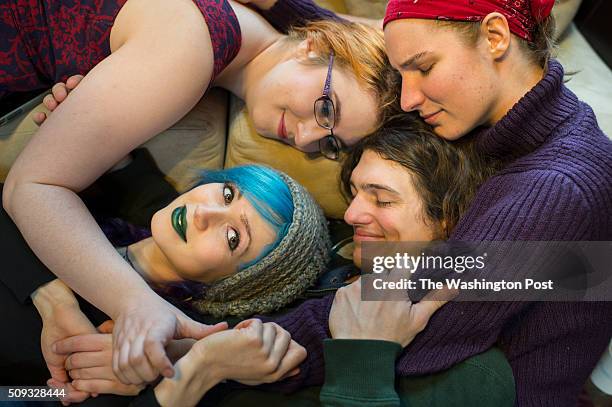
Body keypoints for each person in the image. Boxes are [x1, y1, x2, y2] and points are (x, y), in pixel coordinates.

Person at [220, 0, 611, 405]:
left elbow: (394, 312)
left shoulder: (555, 190)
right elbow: (362, 55)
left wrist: (221, 346)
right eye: (403, 71)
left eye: (422, 69)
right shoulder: (485, 110)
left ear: (495, 38)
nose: (407, 99)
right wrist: (277, 6)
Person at [1, 0, 398, 388]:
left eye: (331, 144)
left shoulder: (236, 34)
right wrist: (134, 304)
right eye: (326, 109)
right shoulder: (192, 49)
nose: (308, 138)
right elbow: (33, 188)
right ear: (316, 44)